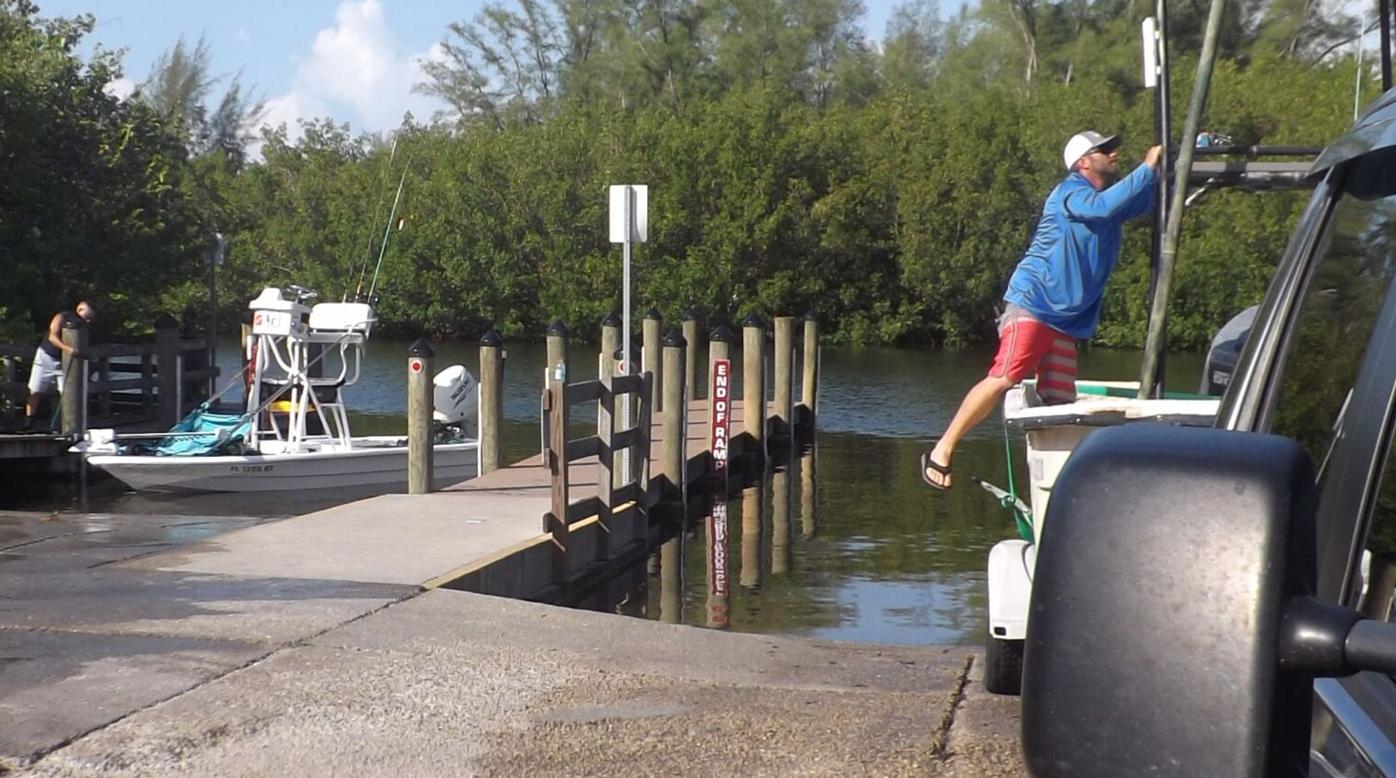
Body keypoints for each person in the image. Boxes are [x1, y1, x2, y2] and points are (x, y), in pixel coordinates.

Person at [921, 131, 1162, 490]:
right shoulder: (1071, 193)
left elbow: (1144, 202)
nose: (1113, 153)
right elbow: (1104, 207)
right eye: (1104, 150)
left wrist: (1172, 165)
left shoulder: (1103, 202)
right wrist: (1146, 166)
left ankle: (1057, 486)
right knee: (1006, 376)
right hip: (1034, 304)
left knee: (1060, 401)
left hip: (1065, 319)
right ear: (1083, 162)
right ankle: (941, 450)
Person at [23, 300, 95, 431]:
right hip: (46, 357)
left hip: (64, 363)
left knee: (68, 394)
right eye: (88, 317)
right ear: (80, 310)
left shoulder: (83, 326)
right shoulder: (62, 316)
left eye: (91, 319)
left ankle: (68, 427)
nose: (89, 321)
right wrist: (69, 349)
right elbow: (52, 337)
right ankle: (29, 423)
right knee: (34, 390)